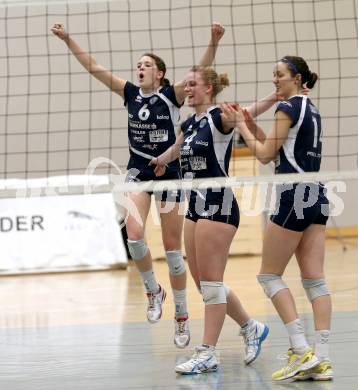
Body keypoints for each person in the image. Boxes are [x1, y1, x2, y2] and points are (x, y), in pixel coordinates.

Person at [51, 22, 225, 349]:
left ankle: (182, 315)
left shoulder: (170, 95)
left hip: (170, 172)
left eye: (146, 65)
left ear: (160, 73)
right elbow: (94, 67)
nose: (140, 68)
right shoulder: (130, 92)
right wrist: (68, 38)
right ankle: (153, 291)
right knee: (134, 235)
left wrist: (213, 41)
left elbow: (200, 71)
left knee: (174, 253)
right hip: (138, 171)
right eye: (138, 65)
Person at [150, 66, 281, 374]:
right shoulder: (189, 121)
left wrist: (275, 96)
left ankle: (207, 352)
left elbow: (248, 112)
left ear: (208, 89)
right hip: (194, 204)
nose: (187, 88)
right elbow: (177, 148)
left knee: (210, 284)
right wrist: (161, 159)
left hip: (218, 204)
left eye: (193, 84)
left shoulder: (219, 117)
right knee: (205, 284)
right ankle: (251, 327)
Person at [228, 55, 333, 382]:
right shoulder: (310, 108)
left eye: (279, 75)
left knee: (269, 276)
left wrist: (241, 125)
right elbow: (279, 146)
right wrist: (252, 125)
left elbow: (264, 154)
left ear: (297, 78)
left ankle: (301, 349)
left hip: (293, 195)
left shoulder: (287, 108)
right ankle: (322, 359)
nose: (274, 80)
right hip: (317, 194)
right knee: (314, 280)